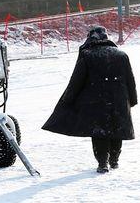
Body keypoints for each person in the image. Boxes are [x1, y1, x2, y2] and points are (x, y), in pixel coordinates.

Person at [42, 26, 137, 173]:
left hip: (96, 101)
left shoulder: (87, 55)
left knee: (99, 132)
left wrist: (68, 99)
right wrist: (132, 99)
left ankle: (102, 163)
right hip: (119, 99)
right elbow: (130, 80)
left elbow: (76, 81)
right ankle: (114, 160)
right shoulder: (121, 55)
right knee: (116, 129)